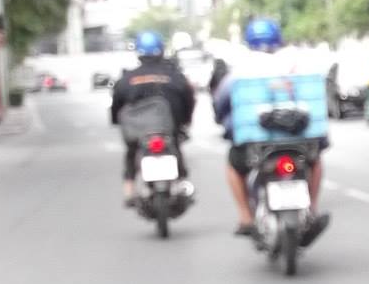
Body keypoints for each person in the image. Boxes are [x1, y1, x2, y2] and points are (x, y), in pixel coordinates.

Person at [211, 16, 330, 242]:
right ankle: (312, 209)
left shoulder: (240, 70)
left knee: (233, 165)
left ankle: (246, 217)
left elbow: (222, 102)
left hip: (255, 143)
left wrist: (223, 122)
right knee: (315, 161)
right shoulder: (295, 64)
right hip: (299, 139)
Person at [109, 30, 194, 206]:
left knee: (131, 153)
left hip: (140, 133)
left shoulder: (127, 79)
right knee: (176, 146)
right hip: (168, 129)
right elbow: (188, 101)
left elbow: (117, 106)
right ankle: (183, 182)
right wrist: (185, 121)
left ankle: (129, 189)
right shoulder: (175, 77)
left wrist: (117, 121)